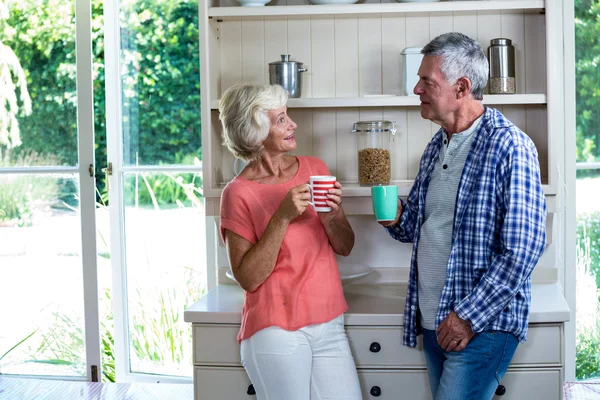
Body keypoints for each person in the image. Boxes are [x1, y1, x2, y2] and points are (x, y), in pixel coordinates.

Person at [379, 32, 547, 400]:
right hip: (435, 319)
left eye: (427, 81)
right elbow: (416, 229)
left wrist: (467, 317)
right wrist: (394, 216)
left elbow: (524, 248)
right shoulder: (435, 146)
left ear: (461, 87)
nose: (416, 89)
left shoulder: (509, 146)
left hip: (480, 324)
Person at [218, 82, 362, 400]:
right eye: (281, 119)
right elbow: (248, 277)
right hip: (274, 330)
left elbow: (345, 246)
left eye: (287, 115)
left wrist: (331, 217)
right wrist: (281, 217)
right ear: (255, 131)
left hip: (328, 322)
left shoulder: (315, 170)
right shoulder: (237, 193)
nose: (292, 124)